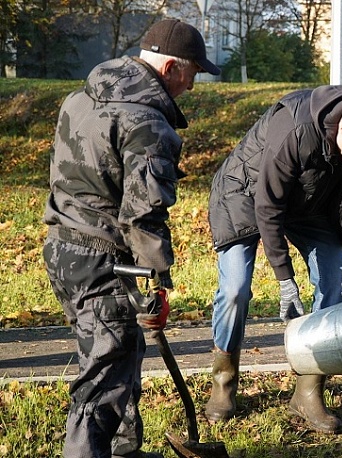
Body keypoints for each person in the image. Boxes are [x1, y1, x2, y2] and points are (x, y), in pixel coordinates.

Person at [42, 19, 220, 458]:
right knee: (104, 376)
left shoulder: (79, 99)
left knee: (120, 352)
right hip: (102, 257)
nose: (193, 86)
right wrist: (160, 276)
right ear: (173, 68)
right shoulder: (148, 125)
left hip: (62, 246)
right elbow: (143, 213)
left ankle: (125, 451)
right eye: (194, 73)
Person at [205, 86, 342, 433]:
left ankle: (308, 391)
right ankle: (224, 381)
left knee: (337, 279)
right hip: (246, 196)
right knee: (235, 289)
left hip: (310, 204)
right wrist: (284, 279)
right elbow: (268, 206)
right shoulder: (294, 127)